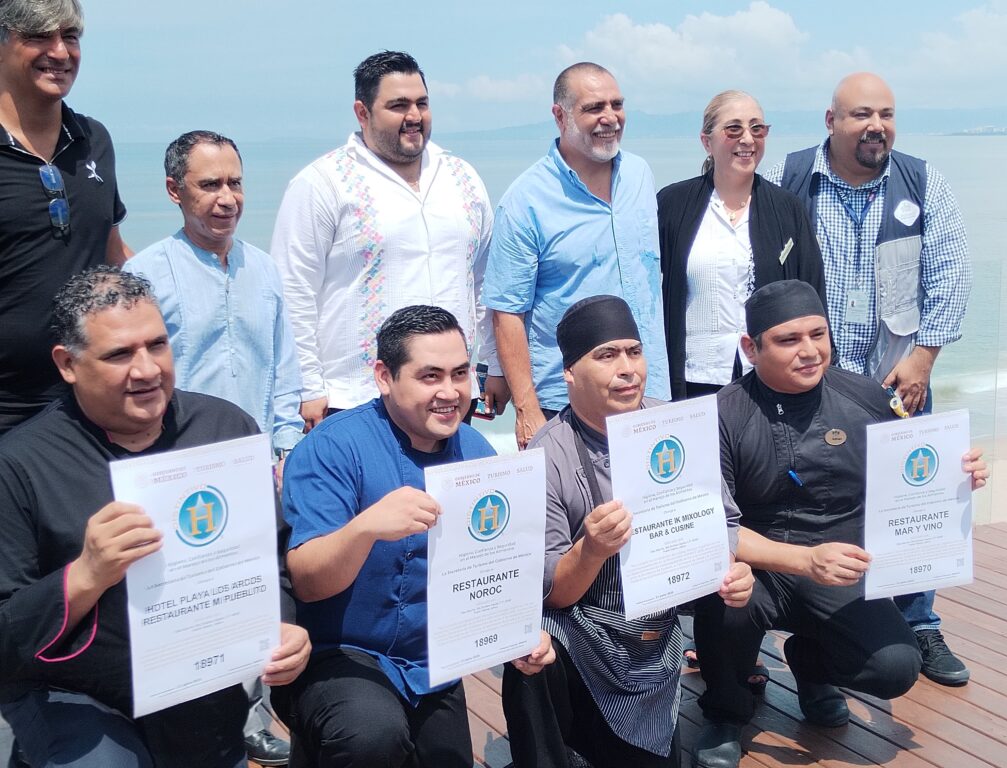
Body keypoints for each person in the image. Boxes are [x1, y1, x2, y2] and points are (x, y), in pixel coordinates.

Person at [0, 266, 311, 768]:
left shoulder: (225, 429)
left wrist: (282, 624)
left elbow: (269, 557)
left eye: (157, 345)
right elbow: (5, 640)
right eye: (119, 354)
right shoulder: (19, 463)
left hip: (198, 682)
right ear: (67, 364)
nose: (146, 370)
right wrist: (83, 577)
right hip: (73, 691)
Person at [689, 280, 988, 768]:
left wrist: (959, 475)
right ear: (751, 347)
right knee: (725, 597)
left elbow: (915, 473)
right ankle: (724, 710)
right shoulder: (722, 414)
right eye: (788, 340)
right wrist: (804, 560)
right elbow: (711, 525)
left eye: (818, 334)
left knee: (897, 666)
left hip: (841, 570)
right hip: (758, 566)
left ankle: (810, 664)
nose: (809, 352)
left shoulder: (868, 398)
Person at [763, 72, 973, 686]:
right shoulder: (790, 176)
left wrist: (925, 355)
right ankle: (813, 629)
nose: (875, 125)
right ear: (831, 121)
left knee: (911, 503)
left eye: (884, 114)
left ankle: (920, 623)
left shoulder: (924, 181)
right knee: (813, 501)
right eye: (860, 114)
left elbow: (951, 275)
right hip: (812, 384)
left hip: (896, 381)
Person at [277, 305, 554, 767]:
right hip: (340, 656)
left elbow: (495, 567)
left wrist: (518, 636)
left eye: (460, 374)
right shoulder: (332, 447)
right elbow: (306, 580)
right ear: (384, 376)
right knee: (372, 736)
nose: (450, 393)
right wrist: (365, 528)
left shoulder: (477, 451)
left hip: (432, 664)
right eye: (430, 376)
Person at [501, 294, 753, 768]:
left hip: (656, 629)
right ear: (569, 373)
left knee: (743, 602)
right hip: (583, 627)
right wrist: (592, 550)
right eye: (606, 355)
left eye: (634, 352)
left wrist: (732, 568)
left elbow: (725, 524)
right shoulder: (547, 452)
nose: (627, 369)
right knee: (531, 655)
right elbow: (551, 591)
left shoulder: (674, 426)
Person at [123, 130, 303, 766]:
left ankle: (251, 718)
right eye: (209, 185)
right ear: (175, 192)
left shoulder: (264, 269)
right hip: (172, 468)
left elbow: (284, 368)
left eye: (235, 183)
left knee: (251, 588)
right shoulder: (143, 274)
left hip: (251, 460)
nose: (227, 198)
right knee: (180, 600)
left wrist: (287, 449)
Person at [271, 50, 494, 431]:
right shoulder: (323, 183)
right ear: (363, 112)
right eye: (398, 105)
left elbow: (484, 282)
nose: (414, 116)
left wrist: (489, 369)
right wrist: (308, 388)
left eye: (422, 103)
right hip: (357, 399)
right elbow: (292, 293)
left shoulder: (462, 178)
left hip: (451, 396)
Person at [481, 62, 670, 449]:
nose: (610, 118)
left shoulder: (640, 174)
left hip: (649, 394)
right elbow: (507, 313)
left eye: (616, 105)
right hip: (567, 406)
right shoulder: (525, 201)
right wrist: (527, 409)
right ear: (560, 115)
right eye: (593, 108)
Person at [0, 0, 132, 435]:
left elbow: (111, 253)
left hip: (89, 397)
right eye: (38, 36)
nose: (60, 52)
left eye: (70, 37)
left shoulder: (93, 139)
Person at [658, 90, 826, 400]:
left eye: (757, 128)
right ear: (706, 141)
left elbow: (812, 295)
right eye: (733, 128)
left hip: (770, 379)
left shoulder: (787, 209)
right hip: (694, 379)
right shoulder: (671, 205)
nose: (747, 139)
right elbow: (648, 294)